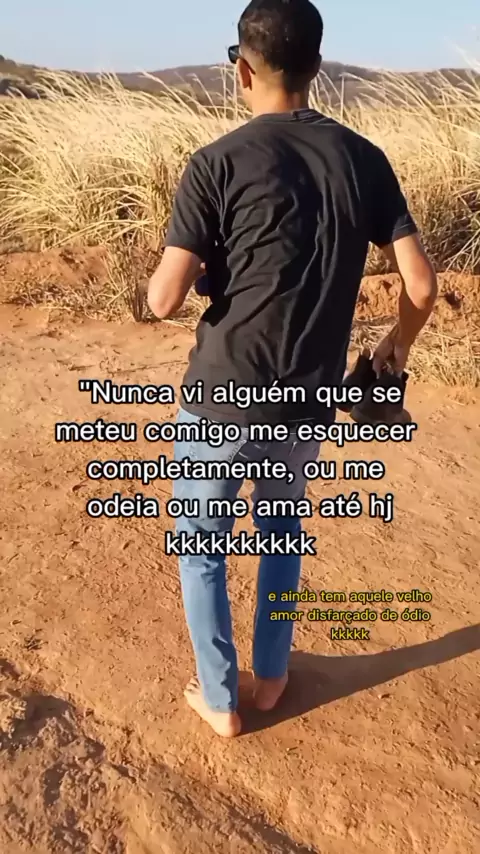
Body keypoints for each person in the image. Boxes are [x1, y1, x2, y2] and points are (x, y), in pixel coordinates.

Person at [147, 0, 438, 737]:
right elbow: (421, 285)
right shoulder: (364, 159)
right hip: (305, 403)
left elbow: (163, 299)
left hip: (221, 396)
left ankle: (221, 699)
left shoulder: (214, 162)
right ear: (316, 68)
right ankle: (272, 676)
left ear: (242, 71)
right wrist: (396, 345)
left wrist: (197, 269)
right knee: (280, 532)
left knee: (202, 547)